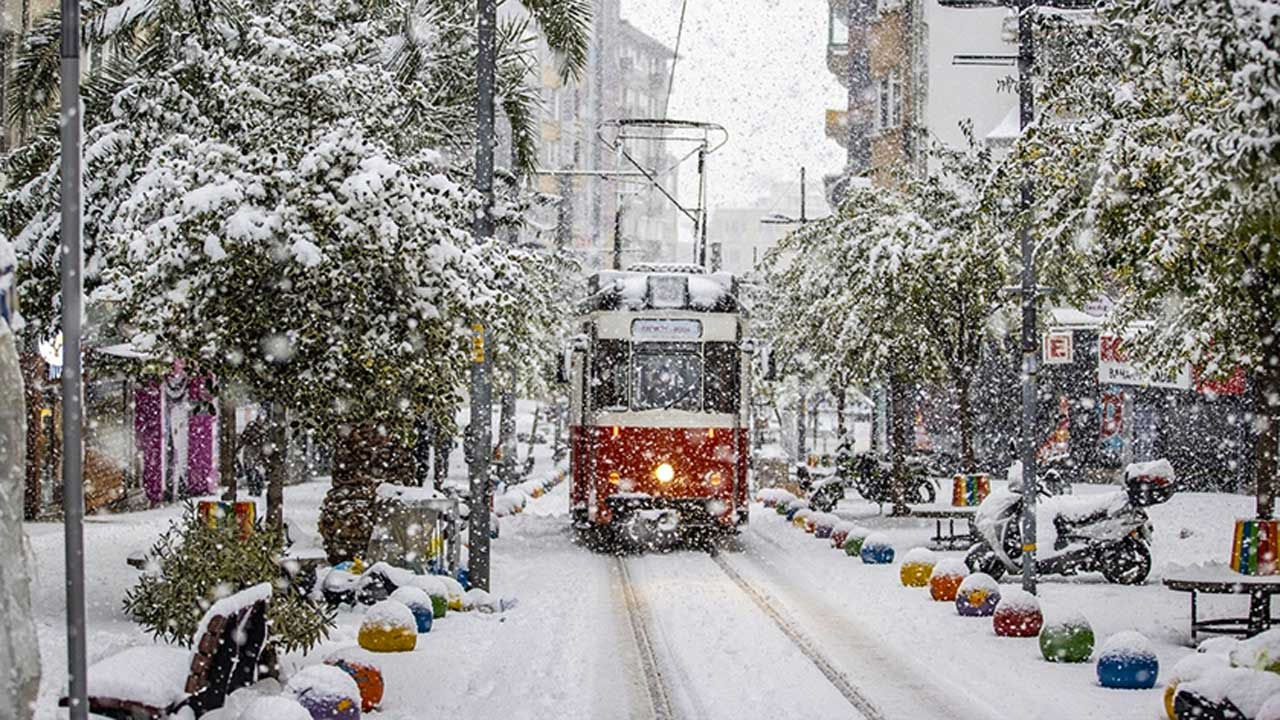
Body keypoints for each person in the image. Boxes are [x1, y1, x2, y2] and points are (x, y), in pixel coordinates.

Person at [238, 414, 268, 496]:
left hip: (256, 450)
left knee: (254, 470)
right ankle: (254, 488)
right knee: (252, 469)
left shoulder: (255, 428)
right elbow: (243, 438)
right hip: (253, 449)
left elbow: (243, 438)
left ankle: (255, 488)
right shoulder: (256, 428)